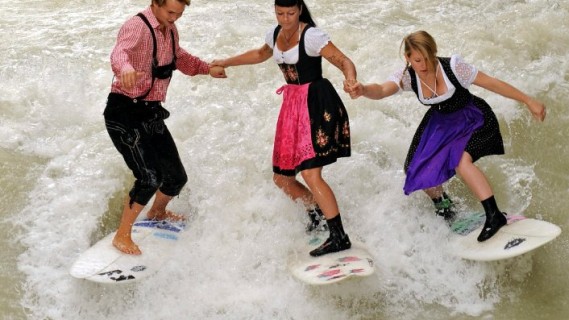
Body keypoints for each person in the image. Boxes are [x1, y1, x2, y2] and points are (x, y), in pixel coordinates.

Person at [347, 31, 546, 242]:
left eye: (427, 58)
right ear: (407, 57)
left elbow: (492, 83)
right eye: (416, 60)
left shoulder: (454, 67)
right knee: (415, 168)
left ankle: (494, 216)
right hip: (441, 124)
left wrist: (528, 100)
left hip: (472, 118)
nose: (423, 65)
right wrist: (363, 89)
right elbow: (381, 90)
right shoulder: (407, 76)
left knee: (461, 161)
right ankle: (446, 208)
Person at [212, 0, 358, 257]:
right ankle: (316, 213)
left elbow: (344, 60)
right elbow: (260, 54)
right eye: (280, 13)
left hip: (315, 102)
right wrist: (225, 61)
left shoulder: (311, 36)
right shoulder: (275, 33)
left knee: (312, 175)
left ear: (299, 10)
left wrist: (351, 79)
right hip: (292, 106)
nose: (285, 18)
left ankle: (339, 236)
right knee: (282, 178)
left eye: (290, 13)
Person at [104, 0, 226, 255]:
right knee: (149, 177)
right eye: (170, 12)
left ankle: (157, 212)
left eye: (179, 14)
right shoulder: (137, 26)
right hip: (124, 112)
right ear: (155, 4)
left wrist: (207, 69)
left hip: (150, 113)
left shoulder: (169, 30)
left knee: (175, 178)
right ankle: (122, 235)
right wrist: (125, 69)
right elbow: (119, 53)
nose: (174, 18)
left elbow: (179, 57)